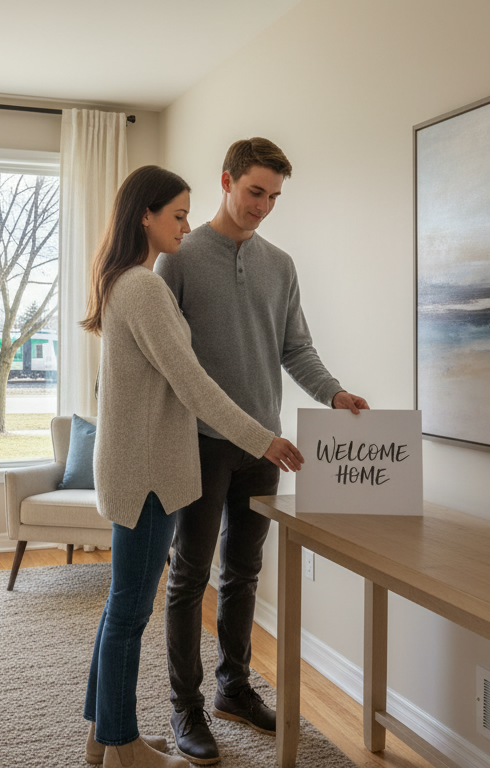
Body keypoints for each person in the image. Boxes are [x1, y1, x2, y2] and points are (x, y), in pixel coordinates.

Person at [80, 164, 305, 768]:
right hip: (149, 472)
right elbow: (194, 385)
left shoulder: (126, 282)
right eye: (177, 214)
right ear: (145, 216)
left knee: (118, 607)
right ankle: (124, 747)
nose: (185, 224)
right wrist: (265, 440)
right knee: (129, 613)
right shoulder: (147, 288)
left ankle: (105, 735)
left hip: (132, 465)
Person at [155, 138, 369, 764]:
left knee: (243, 573)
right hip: (200, 442)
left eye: (274, 197)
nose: (264, 206)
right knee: (190, 576)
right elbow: (173, 361)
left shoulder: (281, 264)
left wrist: (334, 393)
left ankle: (234, 689)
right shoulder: (182, 257)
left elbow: (294, 347)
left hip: (265, 446)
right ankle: (185, 707)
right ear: (226, 181)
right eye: (255, 192)